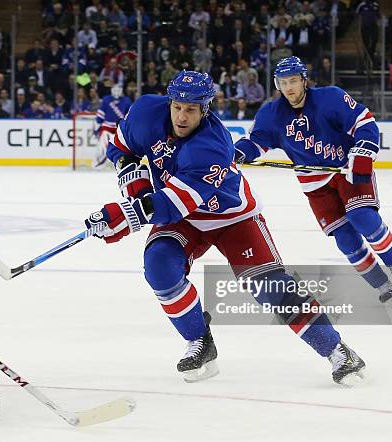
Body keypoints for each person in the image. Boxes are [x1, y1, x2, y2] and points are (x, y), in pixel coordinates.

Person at [83, 70, 366, 386]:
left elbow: (168, 207)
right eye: (177, 106)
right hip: (185, 216)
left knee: (272, 290)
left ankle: (338, 351)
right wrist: (133, 183)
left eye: (191, 109)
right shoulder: (147, 110)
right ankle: (200, 342)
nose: (181, 115)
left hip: (232, 217)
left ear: (205, 109)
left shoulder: (211, 145)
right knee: (159, 266)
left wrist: (119, 216)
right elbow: (121, 148)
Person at [235, 57, 392, 306]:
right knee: (345, 238)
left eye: (293, 81)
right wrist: (240, 151)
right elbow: (257, 141)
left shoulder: (331, 98)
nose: (289, 88)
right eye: (283, 82)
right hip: (314, 182)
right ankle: (380, 283)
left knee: (362, 218)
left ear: (304, 80)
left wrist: (362, 153)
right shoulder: (271, 114)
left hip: (345, 169)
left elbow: (364, 122)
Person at [93, 84, 132, 168]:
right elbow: (100, 117)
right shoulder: (106, 99)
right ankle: (99, 162)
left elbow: (129, 116)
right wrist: (96, 128)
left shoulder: (126, 100)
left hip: (119, 128)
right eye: (115, 89)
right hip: (106, 128)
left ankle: (118, 162)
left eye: (119, 89)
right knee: (102, 145)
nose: (117, 92)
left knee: (121, 147)